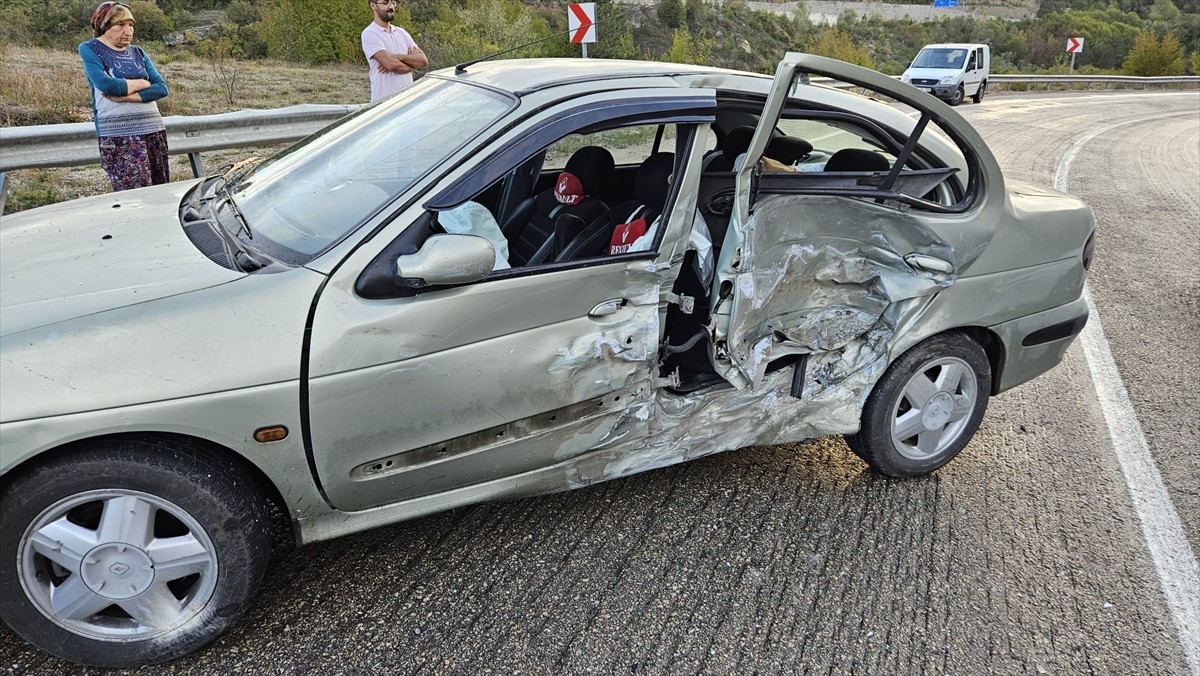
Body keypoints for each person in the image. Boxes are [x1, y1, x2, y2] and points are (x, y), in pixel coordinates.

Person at [78, 1, 170, 192]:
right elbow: (107, 85)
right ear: (104, 25)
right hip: (120, 137)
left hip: (153, 132)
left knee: (160, 193)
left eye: (131, 25)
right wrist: (142, 84)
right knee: (133, 196)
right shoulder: (90, 48)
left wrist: (128, 96)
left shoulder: (138, 52)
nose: (128, 31)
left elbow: (161, 88)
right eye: (120, 25)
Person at [361, 0, 428, 102]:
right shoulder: (370, 33)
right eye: (385, 3)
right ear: (373, 5)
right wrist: (413, 66)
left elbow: (423, 61)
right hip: (384, 103)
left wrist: (398, 57)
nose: (391, 6)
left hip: (407, 101)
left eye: (392, 3)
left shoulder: (402, 32)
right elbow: (391, 65)